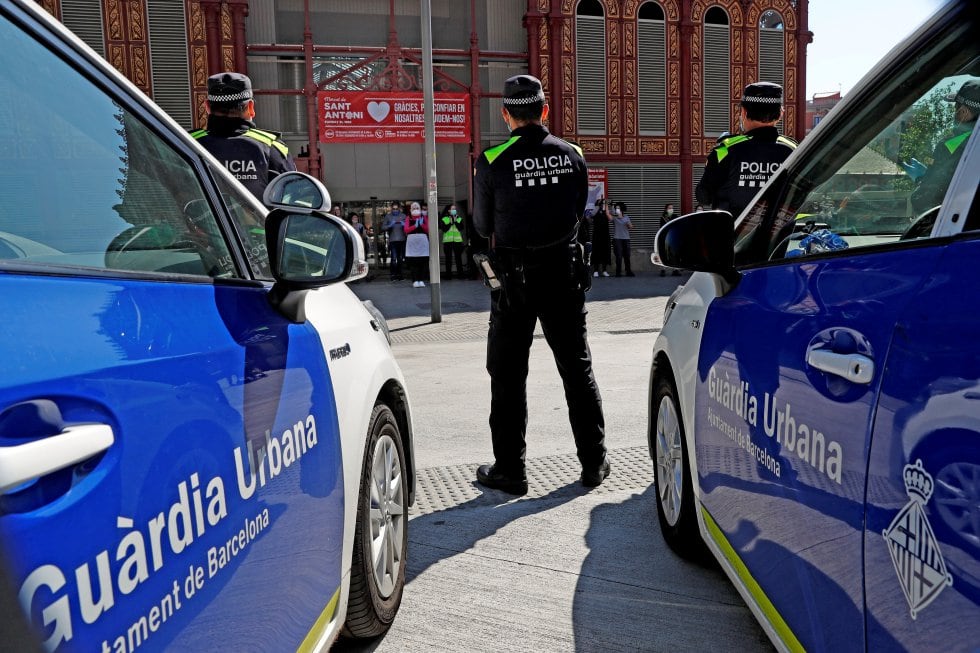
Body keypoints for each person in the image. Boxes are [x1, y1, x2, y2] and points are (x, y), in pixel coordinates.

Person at [473, 74, 608, 495]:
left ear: (506, 114)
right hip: (564, 275)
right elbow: (580, 213)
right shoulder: (573, 154)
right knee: (577, 368)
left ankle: (511, 470)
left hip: (514, 280)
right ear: (545, 110)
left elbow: (480, 225)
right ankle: (593, 463)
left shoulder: (492, 159)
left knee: (508, 374)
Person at [695, 81, 797, 219]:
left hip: (735, 238)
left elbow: (703, 196)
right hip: (780, 239)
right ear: (781, 114)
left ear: (744, 112)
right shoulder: (794, 149)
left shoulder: (725, 150)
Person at [191, 72, 295, 201]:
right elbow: (292, 199)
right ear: (250, 107)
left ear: (207, 106)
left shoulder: (187, 143)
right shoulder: (272, 149)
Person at [910, 78, 979, 213]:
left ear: (964, 112)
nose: (954, 112)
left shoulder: (951, 145)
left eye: (955, 107)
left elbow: (924, 201)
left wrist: (921, 179)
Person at [404, 201, 429, 287]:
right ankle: (414, 280)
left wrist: (421, 225)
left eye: (417, 208)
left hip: (422, 242)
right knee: (413, 263)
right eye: (413, 208)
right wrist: (415, 225)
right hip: (412, 242)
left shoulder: (424, 217)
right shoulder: (408, 218)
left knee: (423, 262)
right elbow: (406, 230)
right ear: (410, 209)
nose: (415, 209)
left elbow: (427, 230)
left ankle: (421, 280)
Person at [382, 201, 407, 280]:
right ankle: (393, 275)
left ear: (399, 208)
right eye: (393, 209)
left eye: (396, 209)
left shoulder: (403, 216)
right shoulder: (388, 216)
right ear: (391, 208)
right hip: (393, 241)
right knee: (393, 258)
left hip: (402, 240)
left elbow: (409, 227)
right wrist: (390, 225)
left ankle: (400, 275)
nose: (395, 210)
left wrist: (405, 225)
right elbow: (383, 228)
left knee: (400, 259)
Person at [440, 202, 466, 279]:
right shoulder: (444, 219)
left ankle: (460, 275)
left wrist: (455, 221)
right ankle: (448, 276)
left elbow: (461, 228)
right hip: (448, 241)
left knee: (458, 258)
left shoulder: (459, 218)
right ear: (448, 210)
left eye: (455, 209)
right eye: (452, 209)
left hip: (457, 241)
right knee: (448, 259)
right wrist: (451, 222)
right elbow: (444, 229)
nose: (454, 210)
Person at [611, 201, 634, 277]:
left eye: (618, 207)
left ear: (622, 208)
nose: (617, 209)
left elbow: (631, 227)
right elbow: (608, 215)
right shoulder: (614, 218)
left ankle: (628, 271)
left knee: (627, 256)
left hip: (626, 239)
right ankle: (618, 272)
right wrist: (609, 206)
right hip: (617, 239)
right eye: (616, 208)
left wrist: (628, 224)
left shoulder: (626, 217)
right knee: (618, 256)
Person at [590, 198, 611, 277]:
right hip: (596, 235)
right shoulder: (595, 211)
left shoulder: (606, 211)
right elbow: (591, 215)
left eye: (603, 203)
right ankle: (595, 270)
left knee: (605, 252)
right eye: (601, 203)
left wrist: (606, 207)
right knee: (596, 252)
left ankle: (604, 270)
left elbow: (610, 218)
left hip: (605, 235)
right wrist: (597, 206)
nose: (602, 204)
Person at [659, 203, 681, 276]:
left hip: (673, 236)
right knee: (664, 254)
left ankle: (675, 270)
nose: (671, 209)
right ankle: (663, 270)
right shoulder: (663, 217)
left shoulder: (675, 216)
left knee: (674, 254)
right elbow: (662, 227)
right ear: (666, 209)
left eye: (672, 208)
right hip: (665, 237)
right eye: (669, 208)